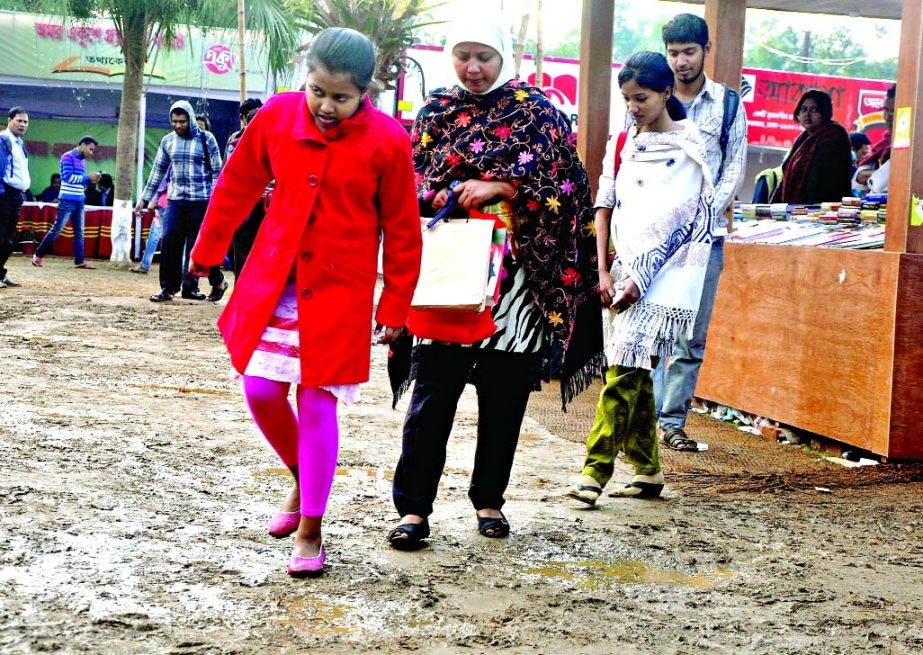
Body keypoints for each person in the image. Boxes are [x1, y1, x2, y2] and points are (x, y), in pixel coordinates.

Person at [188, 27, 422, 577]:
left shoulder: (388, 140)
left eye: (341, 97)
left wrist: (394, 308)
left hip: (341, 292)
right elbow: (237, 185)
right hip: (276, 282)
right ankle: (300, 475)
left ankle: (311, 529)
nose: (326, 106)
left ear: (365, 91)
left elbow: (403, 230)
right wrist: (208, 248)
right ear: (306, 78)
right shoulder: (276, 116)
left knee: (318, 404)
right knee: (261, 389)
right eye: (317, 91)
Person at [387, 17, 600, 549]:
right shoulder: (437, 110)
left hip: (517, 288)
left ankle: (489, 501)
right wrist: (446, 193)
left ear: (504, 56)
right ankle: (414, 511)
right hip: (450, 278)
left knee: (504, 399)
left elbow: (568, 185)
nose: (472, 67)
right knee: (433, 394)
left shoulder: (538, 113)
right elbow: (408, 179)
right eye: (463, 55)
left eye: (483, 56)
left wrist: (505, 184)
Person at [566, 51, 716, 505]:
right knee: (629, 369)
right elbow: (604, 203)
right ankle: (649, 470)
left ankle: (594, 471)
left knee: (622, 372)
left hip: (664, 278)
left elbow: (681, 224)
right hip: (618, 269)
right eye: (627, 99)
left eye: (642, 98)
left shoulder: (690, 149)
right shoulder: (623, 141)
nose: (633, 107)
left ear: (667, 93)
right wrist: (602, 270)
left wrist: (642, 278)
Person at [653, 13, 747, 453]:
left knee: (692, 333)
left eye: (688, 52)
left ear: (706, 50)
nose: (680, 62)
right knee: (653, 326)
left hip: (707, 235)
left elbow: (735, 167)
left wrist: (706, 212)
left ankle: (672, 422)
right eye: (673, 53)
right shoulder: (654, 97)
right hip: (657, 234)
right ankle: (647, 415)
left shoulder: (727, 104)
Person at [134, 100, 225, 302]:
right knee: (170, 242)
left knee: (198, 248)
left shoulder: (206, 139)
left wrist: (215, 201)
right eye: (174, 121)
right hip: (175, 201)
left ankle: (195, 286)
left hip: (201, 201)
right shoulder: (167, 141)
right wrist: (145, 198)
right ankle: (168, 288)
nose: (177, 125)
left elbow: (217, 173)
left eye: (182, 121)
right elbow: (157, 172)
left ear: (190, 119)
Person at [770, 89, 852, 204]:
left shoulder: (834, 134)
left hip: (823, 210)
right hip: (798, 210)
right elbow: (786, 173)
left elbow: (821, 179)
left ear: (825, 113)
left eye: (814, 110)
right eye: (803, 109)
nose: (807, 114)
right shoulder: (804, 138)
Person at [32, 137, 100, 269]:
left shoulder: (82, 160)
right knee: (57, 229)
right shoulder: (67, 157)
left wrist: (90, 180)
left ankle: (79, 261)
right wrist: (87, 178)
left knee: (79, 232)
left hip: (79, 199)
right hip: (67, 200)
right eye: (90, 149)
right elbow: (67, 178)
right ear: (83, 145)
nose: (91, 153)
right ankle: (38, 255)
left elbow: (78, 181)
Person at [225, 97, 267, 278]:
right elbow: (227, 173)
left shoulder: (277, 139)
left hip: (268, 204)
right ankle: (241, 291)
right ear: (244, 118)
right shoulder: (235, 141)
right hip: (243, 202)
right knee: (241, 248)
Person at [0, 106, 30, 289]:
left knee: (8, 240)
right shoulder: (3, 140)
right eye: (19, 120)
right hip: (5, 195)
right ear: (10, 120)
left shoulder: (19, 143)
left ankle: (0, 274)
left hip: (17, 196)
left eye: (25, 122)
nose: (23, 125)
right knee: (2, 238)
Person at [854, 84, 895, 196]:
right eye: (886, 110)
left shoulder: (913, 146)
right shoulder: (885, 144)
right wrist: (880, 174)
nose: (888, 117)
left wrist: (875, 175)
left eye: (894, 111)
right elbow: (859, 176)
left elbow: (878, 183)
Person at [129, 170, 169, 274]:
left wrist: (153, 200)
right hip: (178, 205)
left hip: (163, 205)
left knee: (154, 236)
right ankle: (181, 269)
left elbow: (161, 184)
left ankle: (145, 265)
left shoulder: (168, 164)